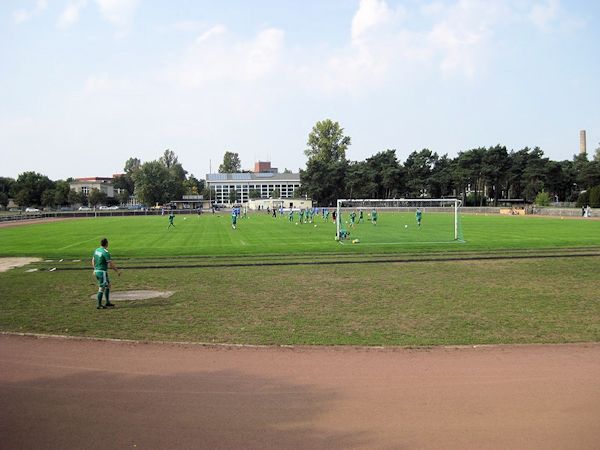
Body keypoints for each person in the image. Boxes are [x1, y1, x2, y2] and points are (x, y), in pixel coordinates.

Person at [92, 238, 120, 309]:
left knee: (108, 285)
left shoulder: (97, 250)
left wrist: (95, 269)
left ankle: (107, 302)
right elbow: (110, 264)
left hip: (97, 271)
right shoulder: (106, 252)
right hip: (102, 272)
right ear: (107, 244)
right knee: (101, 288)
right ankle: (99, 305)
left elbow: (93, 260)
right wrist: (117, 271)